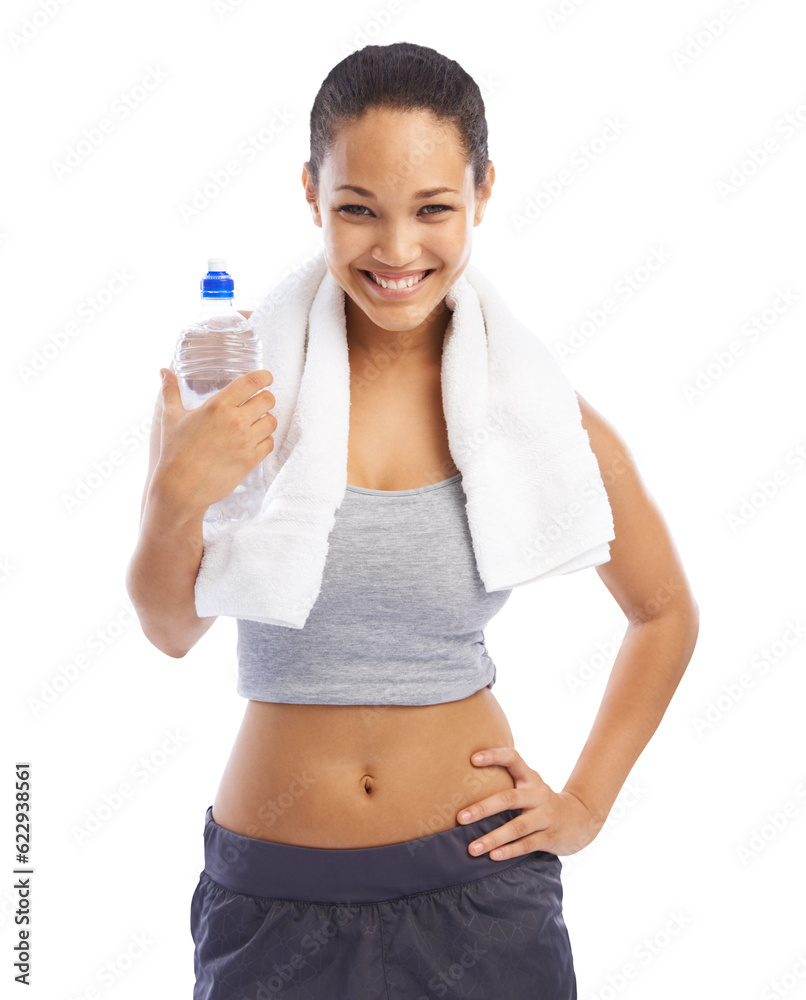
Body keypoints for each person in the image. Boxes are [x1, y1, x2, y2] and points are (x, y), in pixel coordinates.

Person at [126, 41, 699, 1000]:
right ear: (311, 193)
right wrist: (177, 497)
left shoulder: (534, 412)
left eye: (433, 207)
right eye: (358, 209)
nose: (396, 251)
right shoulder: (232, 393)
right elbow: (170, 628)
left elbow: (664, 611)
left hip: (479, 893)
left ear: (481, 192)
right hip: (274, 897)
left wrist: (588, 802)